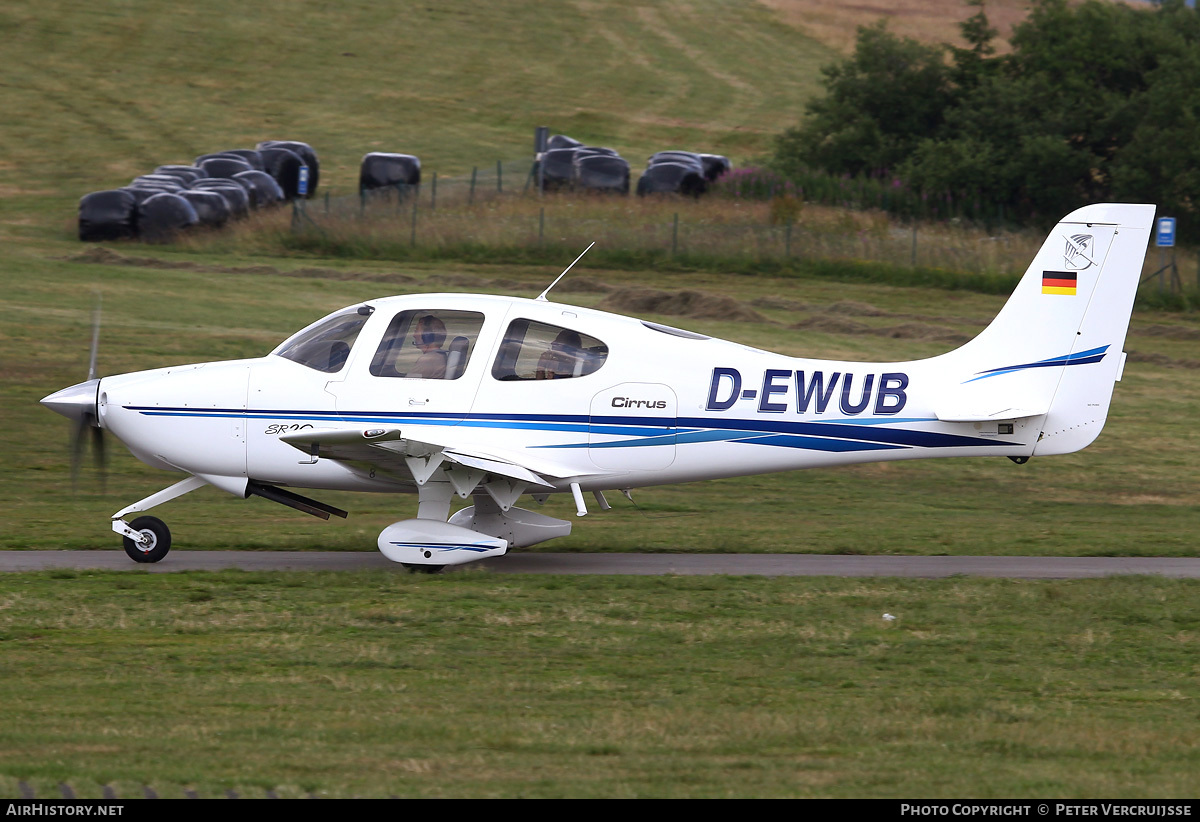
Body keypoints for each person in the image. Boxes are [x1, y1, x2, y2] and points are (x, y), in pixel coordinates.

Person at [407, 315, 448, 379]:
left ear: (427, 336)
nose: (414, 335)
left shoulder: (427, 360)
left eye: (416, 331)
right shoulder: (440, 355)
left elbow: (406, 384)